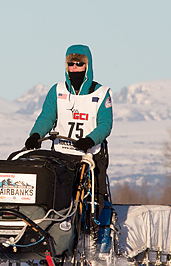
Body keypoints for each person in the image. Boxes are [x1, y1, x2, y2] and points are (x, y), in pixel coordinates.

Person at [25, 44, 113, 200]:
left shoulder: (101, 93)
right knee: (55, 199)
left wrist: (90, 140)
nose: (74, 68)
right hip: (62, 154)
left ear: (87, 66)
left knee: (95, 201)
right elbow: (47, 117)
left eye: (79, 64)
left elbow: (105, 124)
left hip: (89, 154)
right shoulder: (57, 91)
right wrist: (36, 135)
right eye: (71, 64)